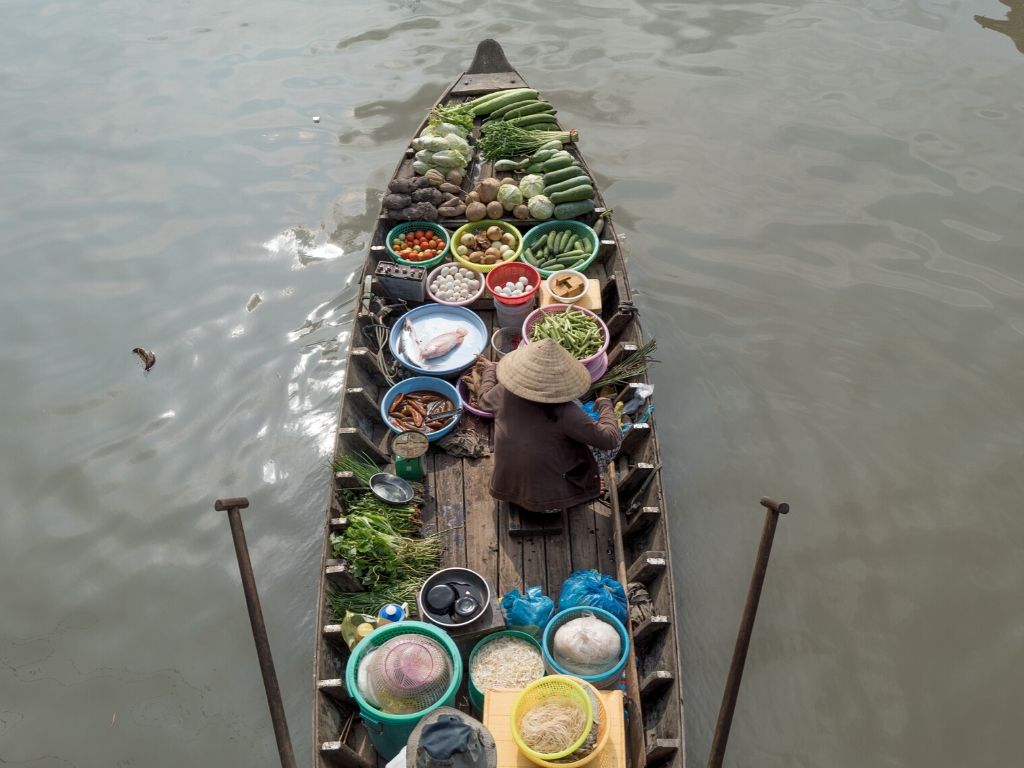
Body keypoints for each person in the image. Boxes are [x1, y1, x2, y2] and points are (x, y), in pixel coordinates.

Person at [477, 338, 620, 513]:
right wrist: (605, 404)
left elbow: (483, 399)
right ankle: (582, 487)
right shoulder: (565, 411)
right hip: (550, 505)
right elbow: (610, 439)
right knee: (614, 442)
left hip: (505, 488)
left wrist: (491, 369)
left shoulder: (503, 393)